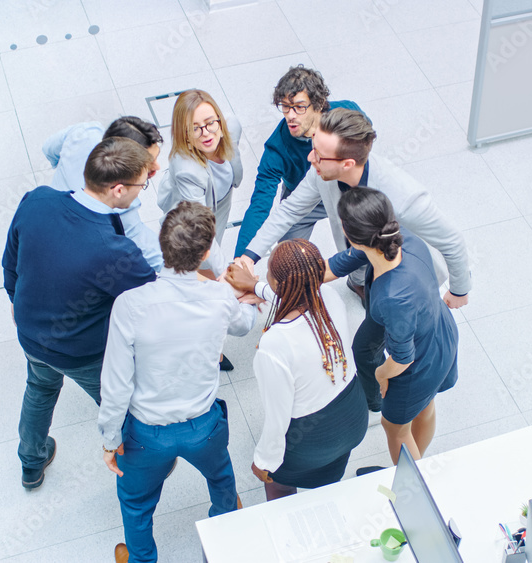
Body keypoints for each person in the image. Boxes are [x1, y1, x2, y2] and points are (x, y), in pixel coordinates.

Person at [237, 108, 471, 413]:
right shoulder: (324, 171)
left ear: (347, 163)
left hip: (403, 276)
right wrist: (248, 255)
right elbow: (290, 210)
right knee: (364, 345)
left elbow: (452, 240)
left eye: (318, 156)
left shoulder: (405, 198)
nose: (310, 160)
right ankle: (375, 401)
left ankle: (401, 398)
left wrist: (460, 290)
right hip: (363, 264)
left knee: (400, 344)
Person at [98, 201, 256, 563]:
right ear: (204, 252)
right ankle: (224, 536)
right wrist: (246, 297)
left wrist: (110, 438)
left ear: (161, 243)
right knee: (221, 480)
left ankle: (141, 558)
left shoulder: (130, 304)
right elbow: (244, 325)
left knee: (136, 503)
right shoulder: (219, 297)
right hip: (204, 425)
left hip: (147, 433)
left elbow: (117, 383)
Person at [2, 137, 157, 490]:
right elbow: (154, 301)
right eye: (141, 185)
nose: (141, 192)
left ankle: (31, 461)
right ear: (118, 190)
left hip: (30, 335)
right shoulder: (115, 252)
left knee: (39, 389)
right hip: (84, 354)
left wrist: (17, 300)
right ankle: (138, 463)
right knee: (122, 406)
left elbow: (10, 259)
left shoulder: (37, 199)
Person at [225, 239, 368, 501]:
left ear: (279, 285)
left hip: (311, 438)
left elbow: (277, 418)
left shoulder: (275, 344)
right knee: (327, 478)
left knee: (279, 487)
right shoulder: (331, 296)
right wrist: (258, 287)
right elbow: (298, 289)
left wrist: (264, 461)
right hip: (354, 417)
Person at [325, 188, 458, 464]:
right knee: (425, 405)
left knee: (395, 428)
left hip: (419, 365)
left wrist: (382, 375)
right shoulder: (402, 240)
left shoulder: (392, 298)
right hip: (439, 333)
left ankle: (409, 487)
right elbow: (342, 262)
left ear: (348, 234)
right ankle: (416, 464)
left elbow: (402, 358)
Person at [234, 65, 363, 259]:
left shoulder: (347, 112)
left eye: (299, 107)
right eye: (285, 107)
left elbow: (366, 138)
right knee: (287, 258)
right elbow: (259, 205)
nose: (290, 115)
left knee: (359, 241)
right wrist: (240, 259)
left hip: (343, 187)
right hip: (301, 198)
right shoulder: (277, 148)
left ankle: (358, 281)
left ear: (319, 104)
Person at [42, 116, 165, 271]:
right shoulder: (121, 205)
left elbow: (48, 149)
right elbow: (150, 252)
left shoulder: (86, 131)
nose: (157, 167)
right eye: (148, 164)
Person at [156, 89, 242, 274]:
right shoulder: (188, 172)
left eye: (210, 123)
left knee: (216, 238)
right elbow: (201, 229)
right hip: (194, 212)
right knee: (202, 259)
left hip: (220, 201)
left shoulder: (230, 125)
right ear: (184, 134)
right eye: (194, 128)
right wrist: (225, 274)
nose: (206, 132)